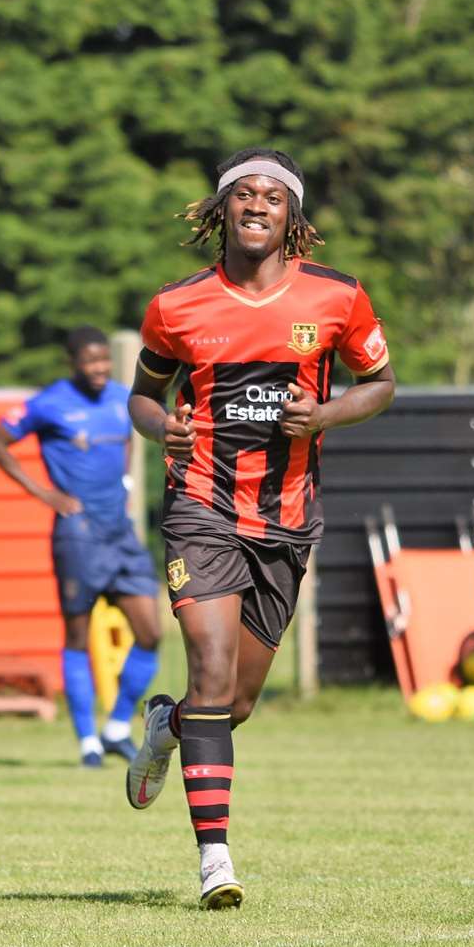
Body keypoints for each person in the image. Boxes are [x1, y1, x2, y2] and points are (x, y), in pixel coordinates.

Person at [125, 147, 394, 908]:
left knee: (233, 704)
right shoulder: (177, 306)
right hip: (200, 508)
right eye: (242, 193)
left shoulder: (338, 298)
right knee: (209, 672)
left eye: (272, 197)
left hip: (286, 520)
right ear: (221, 210)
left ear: (291, 217)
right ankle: (216, 860)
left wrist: (327, 413)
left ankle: (165, 728)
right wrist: (159, 430)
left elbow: (380, 384)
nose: (256, 205)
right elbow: (141, 398)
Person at [0, 326, 162, 768]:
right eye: (90, 361)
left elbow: (126, 442)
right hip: (78, 535)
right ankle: (87, 743)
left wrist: (125, 480)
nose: (99, 368)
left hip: (120, 532)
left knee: (152, 632)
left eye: (104, 359)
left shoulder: (125, 398)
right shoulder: (49, 404)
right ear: (73, 363)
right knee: (79, 636)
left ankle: (118, 727)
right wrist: (45, 494)